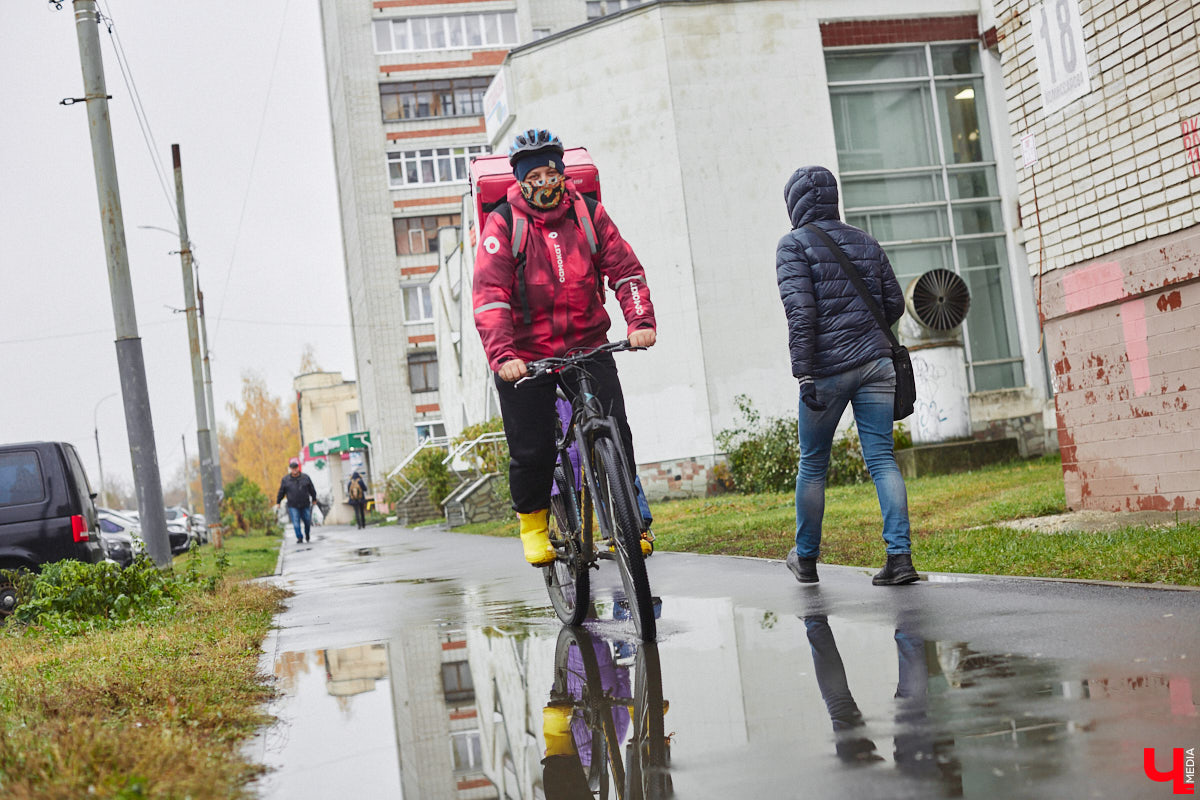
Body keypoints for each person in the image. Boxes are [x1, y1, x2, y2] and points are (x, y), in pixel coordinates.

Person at [472, 128, 657, 566]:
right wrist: (504, 357)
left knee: (616, 429)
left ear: (561, 174)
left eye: (549, 172)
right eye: (531, 175)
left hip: (587, 344)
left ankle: (629, 521)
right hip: (525, 356)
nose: (543, 182)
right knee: (532, 447)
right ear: (520, 181)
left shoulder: (589, 215)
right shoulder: (503, 225)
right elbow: (490, 297)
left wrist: (640, 321)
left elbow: (626, 270)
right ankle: (534, 525)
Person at [776, 165, 919, 586]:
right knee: (881, 460)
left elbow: (801, 312)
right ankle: (900, 558)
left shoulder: (793, 246)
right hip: (877, 364)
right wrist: (864, 335)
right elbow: (893, 304)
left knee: (814, 464)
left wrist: (804, 372)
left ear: (794, 203)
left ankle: (805, 559)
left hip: (826, 371)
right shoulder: (866, 241)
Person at [276, 457, 317, 544]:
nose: (294, 470)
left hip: (305, 504)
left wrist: (314, 498)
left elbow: (311, 489)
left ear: (298, 468)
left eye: (296, 468)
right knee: (296, 522)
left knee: (307, 520)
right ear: (290, 469)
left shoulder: (305, 477)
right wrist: (278, 502)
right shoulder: (286, 480)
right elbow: (281, 491)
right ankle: (299, 537)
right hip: (293, 505)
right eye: (292, 468)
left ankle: (307, 534)